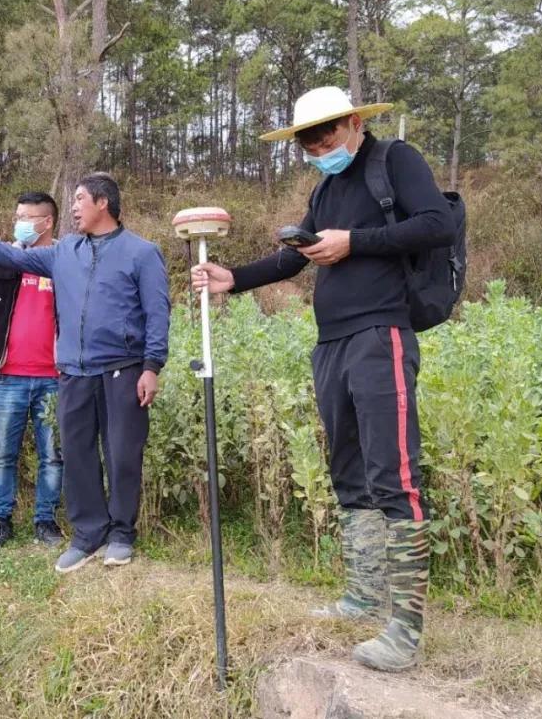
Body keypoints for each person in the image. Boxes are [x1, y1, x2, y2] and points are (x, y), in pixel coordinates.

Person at [191, 86, 455, 672]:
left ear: (354, 123)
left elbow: (437, 223)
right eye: (306, 142)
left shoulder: (396, 162)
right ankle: (363, 596)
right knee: (349, 472)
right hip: (331, 343)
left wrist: (354, 242)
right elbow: (296, 258)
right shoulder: (326, 186)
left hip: (379, 334)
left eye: (325, 136)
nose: (317, 148)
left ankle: (404, 628)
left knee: (395, 474)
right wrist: (232, 278)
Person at [0, 173, 170, 573]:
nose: (74, 207)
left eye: (79, 199)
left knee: (121, 454)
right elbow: (13, 257)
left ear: (103, 203)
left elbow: (157, 313)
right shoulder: (64, 254)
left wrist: (151, 367)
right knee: (77, 455)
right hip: (73, 372)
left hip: (122, 369)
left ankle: (121, 534)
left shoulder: (141, 252)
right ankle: (88, 534)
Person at [0, 192, 64, 552]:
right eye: (16, 214)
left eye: (26, 216)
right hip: (8, 376)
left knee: (53, 454)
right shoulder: (4, 262)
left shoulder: (64, 261)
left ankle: (45, 520)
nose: (18, 221)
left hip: (55, 379)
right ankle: (1, 521)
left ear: (47, 222)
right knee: (4, 453)